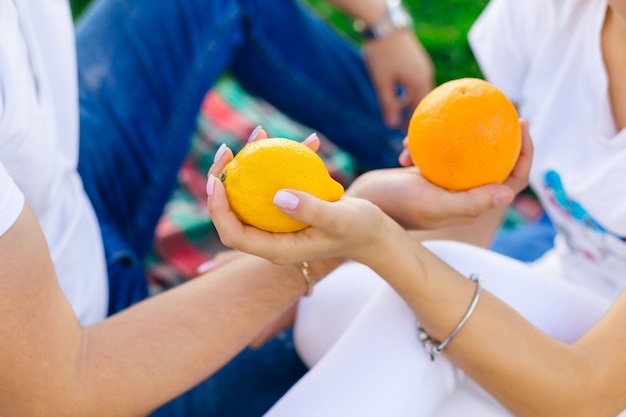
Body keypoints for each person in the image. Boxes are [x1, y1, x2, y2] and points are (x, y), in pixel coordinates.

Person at [0, 0, 476, 416]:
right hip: (96, 351)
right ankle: (462, 222)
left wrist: (381, 19)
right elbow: (51, 398)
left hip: (63, 200)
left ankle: (428, 155)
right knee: (434, 324)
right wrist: (333, 246)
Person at [204, 0, 626, 415]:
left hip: (601, 378)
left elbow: (587, 396)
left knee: (415, 317)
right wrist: (318, 257)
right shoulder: (550, 12)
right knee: (328, 307)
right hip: (567, 284)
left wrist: (379, 241)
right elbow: (480, 213)